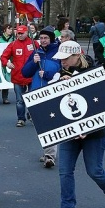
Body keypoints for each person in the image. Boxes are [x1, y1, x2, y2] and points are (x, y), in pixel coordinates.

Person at [50, 41, 105, 208]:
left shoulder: (96, 73)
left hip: (94, 134)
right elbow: (50, 101)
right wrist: (58, 84)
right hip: (69, 133)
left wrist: (88, 129)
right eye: (61, 59)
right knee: (65, 171)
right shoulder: (61, 73)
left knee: (95, 171)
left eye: (66, 59)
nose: (62, 62)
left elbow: (104, 105)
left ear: (77, 56)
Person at [21, 27, 61, 168]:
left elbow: (64, 71)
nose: (43, 41)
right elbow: (25, 73)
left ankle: (50, 155)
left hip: (54, 92)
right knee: (42, 125)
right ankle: (48, 151)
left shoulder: (59, 52)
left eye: (46, 38)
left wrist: (49, 75)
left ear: (51, 39)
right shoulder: (36, 53)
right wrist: (33, 62)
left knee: (50, 123)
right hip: (37, 93)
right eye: (41, 38)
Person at [0, 25, 37, 127]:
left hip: (32, 76)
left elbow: (42, 53)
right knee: (19, 100)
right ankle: (21, 119)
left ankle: (32, 115)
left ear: (27, 33)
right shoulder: (13, 44)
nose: (20, 35)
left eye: (22, 33)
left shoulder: (33, 43)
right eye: (18, 33)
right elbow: (3, 56)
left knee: (32, 97)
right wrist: (6, 63)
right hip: (17, 76)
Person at [0, 24, 15, 104]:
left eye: (11, 29)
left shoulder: (13, 38)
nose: (10, 31)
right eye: (9, 29)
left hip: (9, 61)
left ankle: (5, 98)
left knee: (6, 79)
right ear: (4, 30)